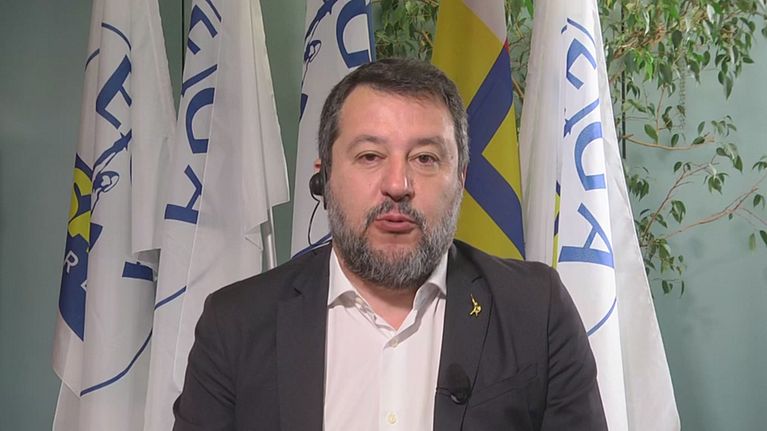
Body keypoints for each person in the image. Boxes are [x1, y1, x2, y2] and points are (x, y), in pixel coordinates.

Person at [173, 58, 607, 431]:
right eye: (370, 156)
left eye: (425, 158)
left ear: (461, 179)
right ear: (325, 176)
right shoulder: (236, 324)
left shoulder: (535, 310)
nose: (398, 185)